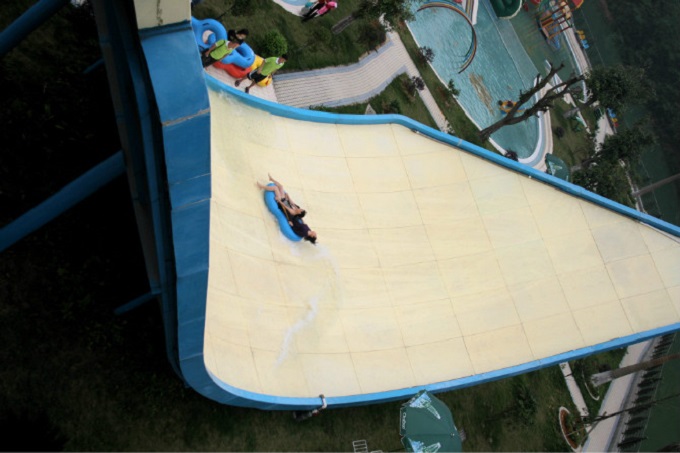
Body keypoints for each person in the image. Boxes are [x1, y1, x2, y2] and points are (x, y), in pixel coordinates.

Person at [257, 174, 318, 244]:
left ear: (312, 236)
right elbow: (303, 222)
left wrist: (291, 224)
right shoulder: (309, 230)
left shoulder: (304, 233)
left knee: (275, 188)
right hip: (286, 203)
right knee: (281, 187)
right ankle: (271, 179)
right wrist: (288, 197)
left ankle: (261, 187)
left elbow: (296, 230)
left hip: (282, 204)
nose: (316, 233)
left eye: (315, 235)